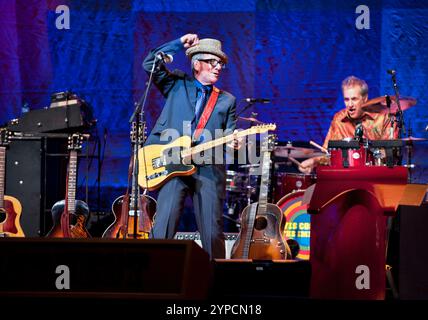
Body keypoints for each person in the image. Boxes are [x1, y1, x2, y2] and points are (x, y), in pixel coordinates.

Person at [142, 34, 240, 259]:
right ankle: (155, 276)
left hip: (208, 168)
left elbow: (229, 135)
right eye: (212, 62)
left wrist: (235, 143)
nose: (218, 67)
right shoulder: (177, 84)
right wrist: (177, 45)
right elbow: (149, 64)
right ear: (196, 64)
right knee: (163, 227)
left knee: (212, 232)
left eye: (221, 64)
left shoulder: (227, 100)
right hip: (174, 166)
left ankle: (215, 282)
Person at [299, 76, 398, 173]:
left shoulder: (383, 117)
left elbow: (391, 152)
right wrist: (314, 162)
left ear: (365, 98)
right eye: (346, 99)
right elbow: (328, 154)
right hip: (345, 176)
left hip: (375, 175)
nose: (350, 105)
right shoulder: (339, 119)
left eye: (354, 99)